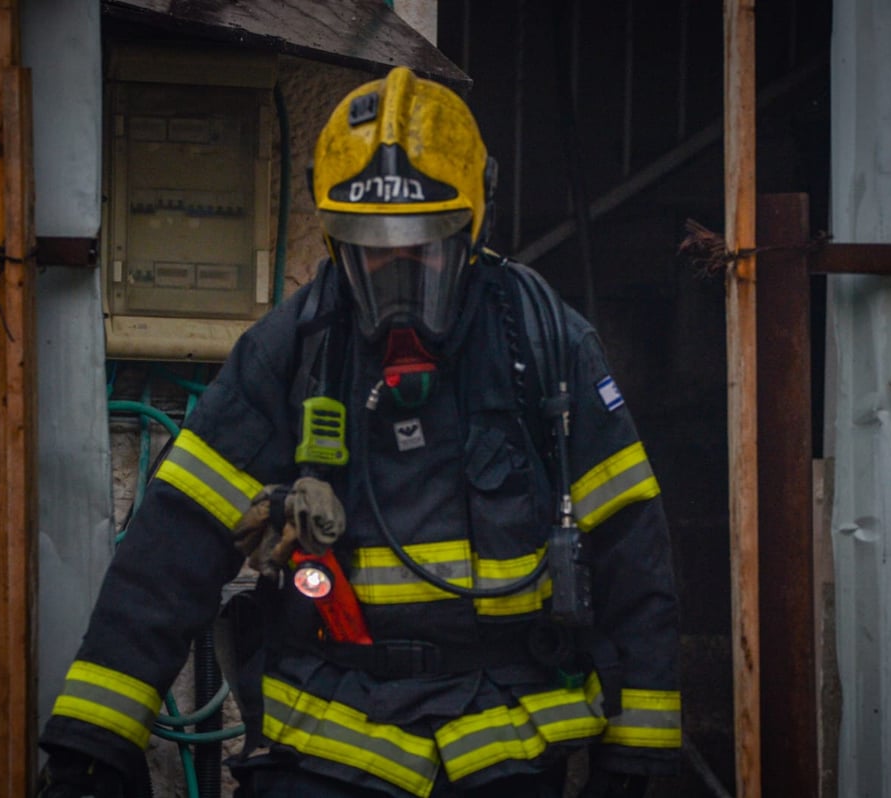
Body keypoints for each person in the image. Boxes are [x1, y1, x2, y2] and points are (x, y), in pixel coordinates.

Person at [36, 65, 680, 798]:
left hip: (504, 738)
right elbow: (171, 547)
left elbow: (633, 547)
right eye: (373, 251)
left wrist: (637, 753)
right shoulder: (294, 348)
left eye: (426, 249)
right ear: (337, 237)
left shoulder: (544, 341)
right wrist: (92, 744)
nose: (398, 278)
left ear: (475, 224)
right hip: (328, 738)